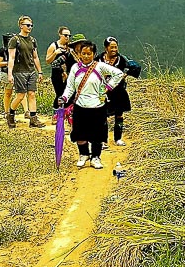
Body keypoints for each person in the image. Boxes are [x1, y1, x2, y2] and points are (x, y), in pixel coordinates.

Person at [59, 41, 124, 169]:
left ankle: (95, 157)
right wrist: (64, 97)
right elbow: (70, 86)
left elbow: (119, 74)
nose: (87, 56)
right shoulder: (75, 68)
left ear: (94, 54)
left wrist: (108, 87)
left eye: (89, 53)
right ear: (79, 54)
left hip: (97, 106)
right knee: (79, 133)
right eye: (84, 53)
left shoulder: (100, 67)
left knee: (97, 134)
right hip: (80, 106)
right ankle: (83, 155)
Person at [6, 16, 46, 128]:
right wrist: (10, 74)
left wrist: (40, 72)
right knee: (20, 96)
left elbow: (35, 57)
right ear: (21, 26)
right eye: (27, 25)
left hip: (31, 70)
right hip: (19, 71)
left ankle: (33, 119)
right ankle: (11, 114)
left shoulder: (32, 40)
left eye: (31, 25)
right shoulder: (15, 40)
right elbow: (11, 58)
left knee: (32, 94)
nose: (30, 27)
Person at [97, 36, 132, 147]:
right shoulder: (98, 59)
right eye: (111, 47)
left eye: (115, 47)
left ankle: (118, 139)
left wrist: (123, 76)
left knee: (119, 115)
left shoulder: (121, 59)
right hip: (104, 91)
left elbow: (132, 68)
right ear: (106, 48)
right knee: (102, 115)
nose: (114, 50)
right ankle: (103, 140)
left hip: (118, 91)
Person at [0, 35, 27, 118]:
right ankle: (6, 112)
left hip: (17, 72)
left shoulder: (18, 50)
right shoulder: (2, 50)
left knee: (21, 92)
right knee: (8, 93)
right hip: (5, 73)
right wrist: (10, 62)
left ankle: (26, 111)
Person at [45, 26, 76, 108]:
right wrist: (55, 53)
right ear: (60, 35)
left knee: (67, 94)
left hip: (68, 74)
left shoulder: (70, 47)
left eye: (69, 35)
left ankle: (65, 112)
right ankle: (56, 113)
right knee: (59, 93)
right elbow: (48, 60)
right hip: (57, 74)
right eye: (65, 35)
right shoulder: (54, 45)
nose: (67, 37)